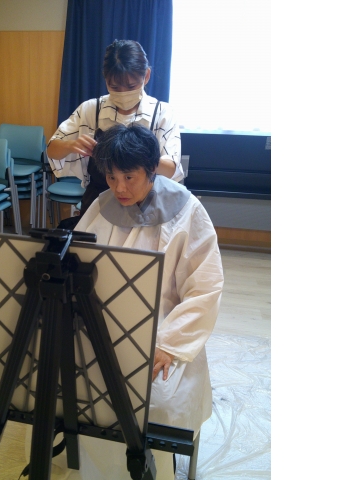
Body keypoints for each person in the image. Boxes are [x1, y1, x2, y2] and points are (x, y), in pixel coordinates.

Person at [44, 124, 224, 479]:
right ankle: (87, 467)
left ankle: (146, 469)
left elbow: (205, 288)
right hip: (99, 320)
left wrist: (170, 344)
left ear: (152, 169)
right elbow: (79, 264)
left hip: (164, 325)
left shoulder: (188, 210)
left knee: (155, 401)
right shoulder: (102, 205)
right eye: (111, 177)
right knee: (65, 381)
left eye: (129, 177)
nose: (120, 188)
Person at [46, 39, 183, 225]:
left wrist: (135, 159)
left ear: (146, 76)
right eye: (115, 87)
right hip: (98, 201)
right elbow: (52, 149)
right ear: (105, 80)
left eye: (131, 86)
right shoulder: (90, 110)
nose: (123, 93)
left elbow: (171, 168)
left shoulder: (162, 113)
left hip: (146, 205)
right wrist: (71, 145)